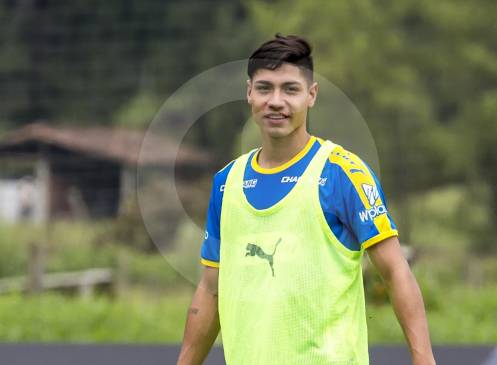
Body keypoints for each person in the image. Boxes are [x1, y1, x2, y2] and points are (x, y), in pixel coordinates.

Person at [177, 34, 436, 365]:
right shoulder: (226, 183)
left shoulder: (343, 173)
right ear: (248, 93)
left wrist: (423, 358)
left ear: (311, 96)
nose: (276, 101)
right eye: (265, 88)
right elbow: (211, 290)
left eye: (290, 89)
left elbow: (396, 272)